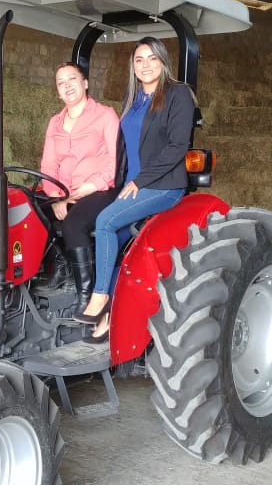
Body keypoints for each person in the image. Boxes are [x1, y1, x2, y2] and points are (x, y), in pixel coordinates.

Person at [73, 37, 195, 343]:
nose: (146, 65)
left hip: (162, 185)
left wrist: (140, 181)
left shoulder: (177, 94)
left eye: (152, 58)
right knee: (104, 240)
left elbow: (178, 146)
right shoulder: (134, 98)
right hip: (131, 186)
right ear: (133, 66)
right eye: (139, 59)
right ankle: (114, 314)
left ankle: (100, 299)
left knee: (105, 223)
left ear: (163, 62)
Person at [38, 61, 120, 313]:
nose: (67, 86)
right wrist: (55, 198)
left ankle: (86, 291)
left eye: (72, 79)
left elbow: (114, 163)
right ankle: (61, 265)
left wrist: (88, 187)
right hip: (64, 191)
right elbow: (48, 166)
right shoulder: (55, 123)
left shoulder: (105, 116)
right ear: (57, 91)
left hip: (100, 189)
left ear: (85, 83)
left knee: (74, 223)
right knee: (27, 209)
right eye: (61, 83)